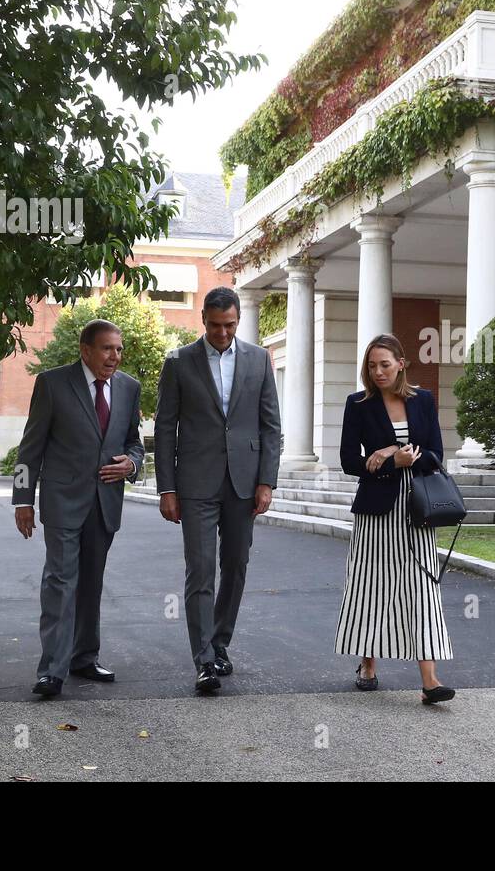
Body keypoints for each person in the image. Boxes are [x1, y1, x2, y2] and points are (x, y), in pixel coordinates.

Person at [155, 286, 281, 693]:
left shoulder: (259, 359)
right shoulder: (178, 362)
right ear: (203, 321)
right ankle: (204, 660)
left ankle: (220, 642)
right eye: (214, 325)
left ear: (238, 320)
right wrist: (167, 488)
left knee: (237, 565)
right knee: (201, 569)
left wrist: (266, 480)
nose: (222, 333)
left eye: (229, 325)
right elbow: (164, 427)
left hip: (243, 482)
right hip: (195, 482)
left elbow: (270, 426)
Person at [13, 319, 144, 698]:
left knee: (91, 583)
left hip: (105, 503)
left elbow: (134, 443)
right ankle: (51, 670)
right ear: (85, 350)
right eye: (107, 349)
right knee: (60, 580)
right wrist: (23, 499)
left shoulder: (129, 388)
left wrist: (131, 465)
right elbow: (30, 447)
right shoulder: (53, 384)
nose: (114, 356)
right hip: (62, 502)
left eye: (118, 349)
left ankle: (85, 657)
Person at [335, 333, 455, 704]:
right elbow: (348, 461)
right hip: (376, 510)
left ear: (401, 363)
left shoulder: (423, 401)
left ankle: (429, 680)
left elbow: (435, 453)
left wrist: (394, 451)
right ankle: (367, 664)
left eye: (385, 364)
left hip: (418, 509)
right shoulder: (358, 404)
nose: (378, 372)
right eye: (372, 366)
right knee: (371, 585)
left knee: (422, 589)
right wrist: (388, 462)